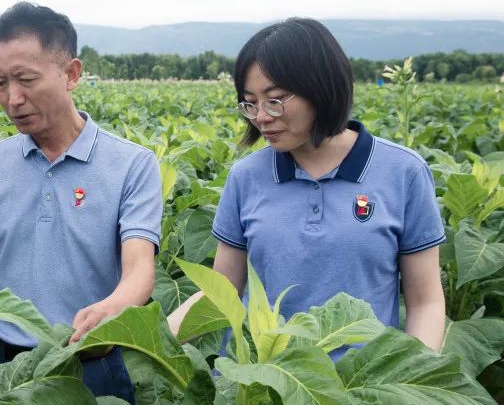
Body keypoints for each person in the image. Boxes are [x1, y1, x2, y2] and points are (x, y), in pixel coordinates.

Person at [167, 18, 446, 353]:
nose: (261, 117)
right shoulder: (247, 176)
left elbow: (425, 302)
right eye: (249, 102)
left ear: (321, 87)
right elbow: (222, 289)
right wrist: (146, 339)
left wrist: (408, 386)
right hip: (258, 387)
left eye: (276, 99)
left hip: (361, 392)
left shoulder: (403, 172)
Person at [0, 2, 162, 403]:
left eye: (26, 79)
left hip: (87, 364)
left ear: (71, 74)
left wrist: (111, 311)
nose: (13, 99)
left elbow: (139, 270)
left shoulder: (132, 165)